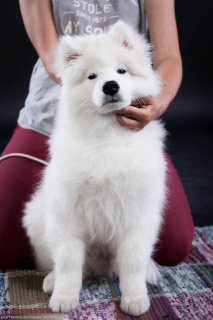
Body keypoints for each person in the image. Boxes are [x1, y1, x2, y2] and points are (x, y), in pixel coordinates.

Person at [0, 0, 194, 268]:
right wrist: (99, 82)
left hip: (128, 116)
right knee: (6, 248)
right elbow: (54, 60)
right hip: (57, 113)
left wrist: (155, 103)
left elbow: (169, 57)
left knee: (173, 248)